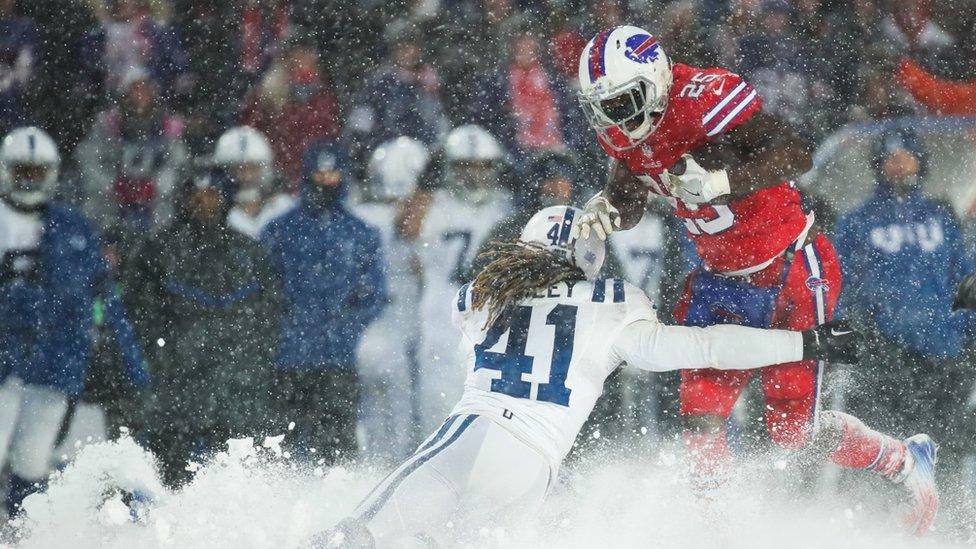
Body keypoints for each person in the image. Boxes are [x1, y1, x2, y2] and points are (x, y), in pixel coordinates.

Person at [307, 205, 863, 548]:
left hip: (475, 434)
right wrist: (802, 342)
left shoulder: (483, 294)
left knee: (355, 536)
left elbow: (474, 299)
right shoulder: (617, 303)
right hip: (534, 467)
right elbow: (706, 343)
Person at [571, 26, 937, 533]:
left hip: (789, 267)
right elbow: (629, 193)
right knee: (700, 411)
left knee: (792, 432)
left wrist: (722, 180)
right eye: (602, 108)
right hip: (721, 280)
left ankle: (902, 460)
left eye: (624, 102)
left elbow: (794, 152)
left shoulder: (704, 98)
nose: (615, 119)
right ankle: (715, 530)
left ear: (654, 79)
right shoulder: (622, 129)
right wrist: (608, 209)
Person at [0, 126, 148, 513]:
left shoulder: (72, 225)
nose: (29, 180)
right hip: (5, 359)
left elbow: (102, 295)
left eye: (36, 171)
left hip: (54, 361)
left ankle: (23, 531)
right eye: (22, 171)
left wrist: (131, 360)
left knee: (32, 459)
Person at [123, 169, 280, 487]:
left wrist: (248, 367)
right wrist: (166, 356)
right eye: (195, 196)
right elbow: (139, 314)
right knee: (171, 485)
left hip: (235, 393)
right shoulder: (159, 250)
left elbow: (269, 314)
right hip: (176, 392)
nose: (203, 204)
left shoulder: (248, 252)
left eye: (211, 196)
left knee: (235, 482)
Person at [833, 128, 975, 468]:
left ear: (919, 161)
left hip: (944, 351)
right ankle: (874, 517)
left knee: (945, 450)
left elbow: (964, 275)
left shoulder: (941, 216)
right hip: (884, 354)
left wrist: (969, 333)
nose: (898, 164)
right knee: (883, 451)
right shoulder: (856, 221)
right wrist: (851, 338)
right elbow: (841, 285)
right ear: (877, 164)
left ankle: (947, 516)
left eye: (905, 155)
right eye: (889, 157)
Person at [261, 139, 386, 462]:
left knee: (338, 450)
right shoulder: (280, 230)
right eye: (319, 174)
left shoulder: (362, 234)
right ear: (306, 176)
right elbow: (264, 292)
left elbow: (372, 295)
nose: (326, 182)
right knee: (282, 448)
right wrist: (283, 329)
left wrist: (345, 332)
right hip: (288, 357)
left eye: (333, 174)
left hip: (338, 359)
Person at [398, 125, 512, 434]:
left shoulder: (505, 205)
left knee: (493, 418)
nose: (475, 176)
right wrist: (424, 183)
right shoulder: (435, 203)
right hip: (443, 319)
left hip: (493, 317)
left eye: (483, 167)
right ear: (447, 168)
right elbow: (405, 228)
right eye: (465, 167)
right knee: (439, 411)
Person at [352, 137, 429, 463]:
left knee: (418, 386)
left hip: (416, 309)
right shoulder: (367, 215)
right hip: (385, 310)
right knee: (387, 381)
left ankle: (405, 455)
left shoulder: (432, 214)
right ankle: (387, 459)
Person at [75, 66, 188, 234]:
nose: (140, 94)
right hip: (111, 202)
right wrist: (111, 186)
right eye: (135, 88)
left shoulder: (168, 127)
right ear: (124, 94)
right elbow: (87, 159)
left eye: (145, 88)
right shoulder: (107, 126)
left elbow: (178, 162)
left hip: (157, 204)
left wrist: (156, 186)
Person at [212, 125, 295, 239]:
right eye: (238, 169)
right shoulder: (220, 215)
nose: (246, 176)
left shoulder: (282, 206)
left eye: (253, 168)